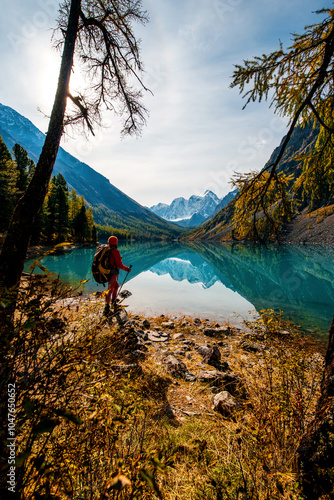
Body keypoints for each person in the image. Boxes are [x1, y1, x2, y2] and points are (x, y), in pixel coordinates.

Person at [104, 236, 131, 316]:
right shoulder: (115, 251)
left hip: (109, 273)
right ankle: (107, 307)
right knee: (110, 290)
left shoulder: (108, 250)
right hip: (112, 274)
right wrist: (127, 269)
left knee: (116, 287)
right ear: (116, 243)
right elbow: (119, 265)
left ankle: (113, 302)